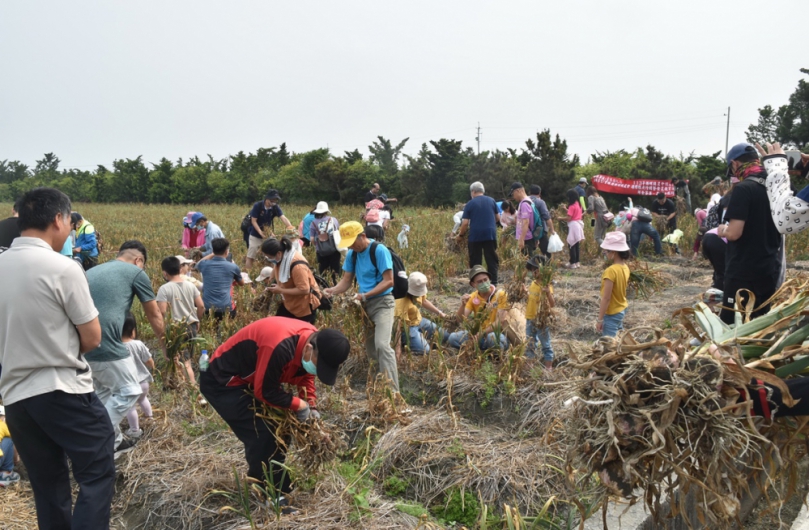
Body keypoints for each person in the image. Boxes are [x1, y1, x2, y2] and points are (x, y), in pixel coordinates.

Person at [0, 187, 114, 528]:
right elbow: (92, 337)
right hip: (61, 387)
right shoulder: (62, 267)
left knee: (48, 485)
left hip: (16, 396)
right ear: (59, 219)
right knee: (96, 472)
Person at [200, 318, 350, 511]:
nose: (317, 369)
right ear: (309, 349)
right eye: (318, 364)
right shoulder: (279, 346)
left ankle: (269, 481)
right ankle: (271, 493)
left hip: (256, 380)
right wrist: (299, 405)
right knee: (262, 434)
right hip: (224, 381)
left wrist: (311, 408)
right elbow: (265, 392)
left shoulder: (312, 339)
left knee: (282, 431)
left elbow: (305, 377)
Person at [86, 240, 165, 455]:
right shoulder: (135, 272)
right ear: (138, 260)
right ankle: (98, 439)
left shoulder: (93, 271)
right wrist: (166, 346)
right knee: (130, 390)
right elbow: (154, 313)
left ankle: (115, 442)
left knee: (103, 393)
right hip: (108, 344)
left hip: (83, 344)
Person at [324, 222, 400, 392]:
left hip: (383, 303)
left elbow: (389, 281)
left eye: (353, 242)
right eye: (348, 243)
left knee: (382, 345)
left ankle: (393, 393)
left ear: (363, 236)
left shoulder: (379, 250)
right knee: (371, 349)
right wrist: (332, 290)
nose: (351, 246)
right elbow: (346, 281)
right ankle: (376, 387)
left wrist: (365, 295)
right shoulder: (352, 254)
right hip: (365, 305)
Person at [716, 142, 781, 325]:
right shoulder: (775, 187)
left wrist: (723, 231)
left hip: (743, 270)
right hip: (769, 267)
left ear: (735, 164)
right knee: (759, 323)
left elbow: (735, 233)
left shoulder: (744, 189)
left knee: (732, 322)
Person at [156, 256, 205, 392]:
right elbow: (201, 306)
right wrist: (197, 320)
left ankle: (193, 389)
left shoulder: (164, 289)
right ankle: (179, 384)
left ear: (165, 273)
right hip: (192, 326)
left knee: (184, 361)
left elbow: (162, 312)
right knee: (185, 358)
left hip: (176, 330)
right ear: (180, 269)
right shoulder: (191, 286)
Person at [447, 265, 511, 351]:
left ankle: (489, 351)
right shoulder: (473, 297)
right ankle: (483, 350)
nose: (484, 283)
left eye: (485, 279)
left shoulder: (501, 295)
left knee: (492, 338)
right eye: (480, 281)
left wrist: (482, 333)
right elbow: (459, 320)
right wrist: (463, 305)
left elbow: (500, 322)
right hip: (479, 335)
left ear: (489, 279)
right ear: (473, 284)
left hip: (497, 334)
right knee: (453, 338)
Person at [260, 237, 321, 324]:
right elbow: (276, 265)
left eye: (270, 257)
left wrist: (280, 290)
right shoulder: (282, 257)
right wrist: (272, 278)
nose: (269, 259)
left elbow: (304, 290)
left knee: (301, 333)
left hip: (303, 306)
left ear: (278, 253)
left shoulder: (297, 266)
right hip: (289, 303)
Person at [456, 181, 501, 284]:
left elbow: (465, 223)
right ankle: (493, 282)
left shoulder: (470, 204)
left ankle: (477, 282)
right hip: (490, 234)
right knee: (491, 258)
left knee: (476, 260)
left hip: (475, 235)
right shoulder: (492, 200)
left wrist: (460, 235)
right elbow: (498, 218)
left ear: (473, 191)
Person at [395, 272, 447, 355]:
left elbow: (424, 301)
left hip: (419, 320)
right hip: (407, 328)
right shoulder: (400, 302)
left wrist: (439, 312)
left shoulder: (418, 289)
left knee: (444, 335)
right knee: (425, 351)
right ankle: (408, 341)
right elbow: (397, 325)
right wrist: (397, 350)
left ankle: (420, 338)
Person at [121, 313, 154, 439]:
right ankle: (150, 419)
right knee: (143, 399)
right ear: (133, 330)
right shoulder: (138, 344)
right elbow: (149, 361)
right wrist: (152, 366)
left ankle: (135, 430)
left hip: (129, 383)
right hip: (143, 382)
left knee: (130, 407)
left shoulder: (117, 347)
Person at [196, 238, 244, 319]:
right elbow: (242, 283)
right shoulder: (233, 267)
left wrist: (212, 254)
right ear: (226, 252)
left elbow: (198, 264)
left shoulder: (204, 265)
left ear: (213, 251)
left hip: (207, 307)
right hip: (226, 308)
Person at [246, 190, 292, 268]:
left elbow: (283, 218)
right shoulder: (258, 205)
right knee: (251, 255)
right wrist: (260, 232)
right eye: (272, 200)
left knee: (271, 255)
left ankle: (270, 273)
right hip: (256, 234)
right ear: (267, 199)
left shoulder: (275, 207)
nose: (273, 202)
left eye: (275, 201)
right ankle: (248, 272)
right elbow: (253, 221)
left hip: (268, 234)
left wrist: (291, 228)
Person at [597, 232, 630, 337]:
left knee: (610, 347)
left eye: (606, 251)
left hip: (612, 313)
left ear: (614, 252)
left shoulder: (611, 271)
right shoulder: (625, 267)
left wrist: (600, 319)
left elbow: (606, 298)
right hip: (621, 309)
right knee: (619, 341)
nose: (604, 253)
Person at [524, 255, 555, 369]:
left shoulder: (547, 285)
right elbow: (531, 298)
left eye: (535, 269)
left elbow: (552, 304)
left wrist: (547, 293)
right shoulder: (533, 284)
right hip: (530, 317)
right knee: (530, 343)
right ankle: (530, 365)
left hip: (541, 319)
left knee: (545, 344)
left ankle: (549, 367)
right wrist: (525, 293)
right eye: (532, 270)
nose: (533, 272)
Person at [309, 201, 342, 280]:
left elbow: (312, 239)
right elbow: (338, 232)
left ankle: (324, 287)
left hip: (321, 251)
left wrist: (319, 244)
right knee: (336, 269)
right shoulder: (334, 220)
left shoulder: (313, 223)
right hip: (335, 249)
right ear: (326, 211)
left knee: (323, 271)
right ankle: (336, 286)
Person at [509, 182, 537, 256]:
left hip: (526, 238)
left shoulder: (524, 204)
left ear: (518, 191)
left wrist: (521, 239)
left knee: (528, 261)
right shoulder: (528, 201)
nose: (513, 197)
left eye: (513, 194)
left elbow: (526, 222)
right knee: (528, 260)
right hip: (528, 236)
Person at [528, 185, 555, 257]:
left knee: (529, 250)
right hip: (540, 229)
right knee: (545, 249)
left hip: (527, 229)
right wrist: (552, 229)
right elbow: (547, 217)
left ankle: (531, 265)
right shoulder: (540, 202)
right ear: (539, 193)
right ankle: (547, 264)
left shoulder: (524, 201)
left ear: (530, 192)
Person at [561, 189, 584, 269]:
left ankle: (572, 262)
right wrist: (565, 209)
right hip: (578, 225)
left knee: (571, 244)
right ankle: (577, 262)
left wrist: (559, 218)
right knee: (576, 244)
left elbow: (569, 218)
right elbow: (574, 213)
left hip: (573, 226)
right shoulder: (578, 204)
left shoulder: (571, 206)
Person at [0, 406, 20, 487]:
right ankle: (5, 474)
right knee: (8, 439)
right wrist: (16, 459)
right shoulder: (3, 425)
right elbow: (14, 439)